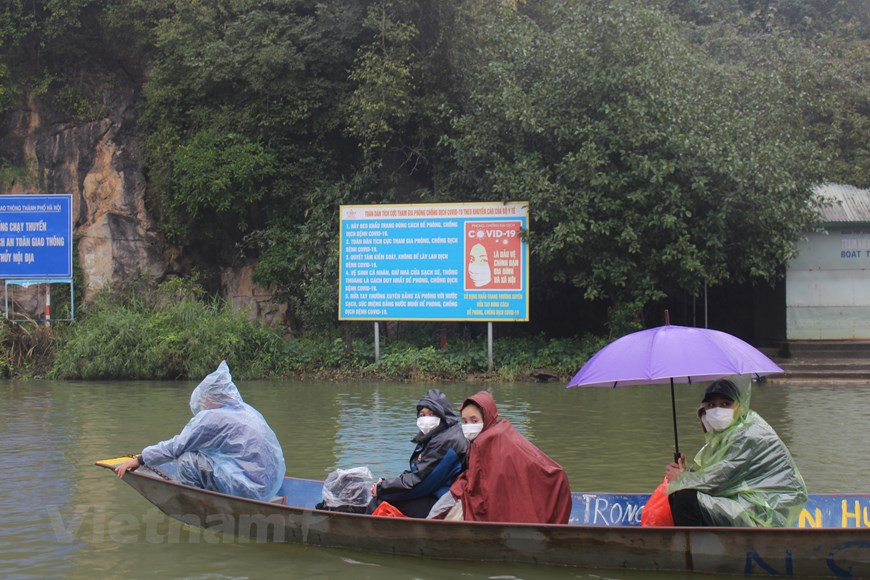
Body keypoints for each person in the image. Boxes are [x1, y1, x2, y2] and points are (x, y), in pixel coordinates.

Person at [114, 361, 286, 502]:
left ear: (210, 398)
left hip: (249, 490)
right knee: (203, 452)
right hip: (271, 486)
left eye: (203, 401)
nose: (202, 405)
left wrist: (140, 459)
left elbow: (177, 446)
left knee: (186, 460)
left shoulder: (213, 417)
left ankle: (197, 505)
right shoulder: (248, 411)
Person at [665, 376, 807, 527]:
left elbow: (718, 482)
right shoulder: (725, 435)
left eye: (725, 404)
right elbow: (715, 473)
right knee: (678, 495)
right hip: (746, 502)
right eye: (712, 405)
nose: (718, 411)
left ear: (739, 406)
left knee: (685, 499)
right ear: (703, 410)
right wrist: (686, 471)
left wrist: (682, 478)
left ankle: (699, 549)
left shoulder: (748, 435)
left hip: (764, 513)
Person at [439, 390, 572, 523]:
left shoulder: (483, 442)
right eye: (464, 421)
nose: (468, 426)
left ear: (486, 417)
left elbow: (479, 490)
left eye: (474, 420)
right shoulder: (503, 427)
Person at [370, 389, 468, 518]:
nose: (426, 419)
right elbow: (420, 472)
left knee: (382, 502)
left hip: (445, 500)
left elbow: (420, 482)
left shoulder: (447, 441)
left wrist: (382, 488)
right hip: (439, 493)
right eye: (422, 415)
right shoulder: (442, 435)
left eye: (431, 414)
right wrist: (386, 483)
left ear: (443, 415)